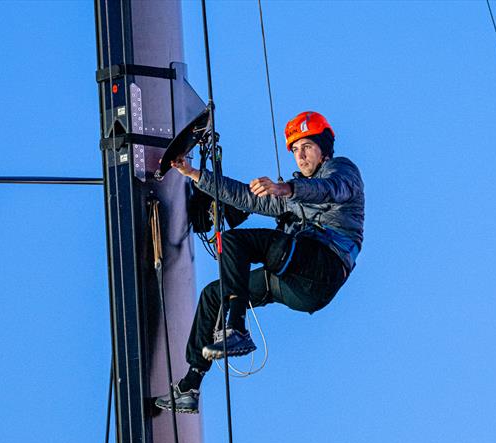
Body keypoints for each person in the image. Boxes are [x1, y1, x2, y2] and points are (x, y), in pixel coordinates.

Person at [155, 111, 365, 414]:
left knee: (235, 242)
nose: (300, 155)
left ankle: (236, 329)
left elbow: (330, 189)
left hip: (323, 265)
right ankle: (190, 385)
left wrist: (287, 189)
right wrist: (194, 175)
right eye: (295, 150)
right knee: (215, 295)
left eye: (307, 146)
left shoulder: (342, 171)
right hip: (296, 285)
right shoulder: (292, 193)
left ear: (322, 148)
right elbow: (248, 198)